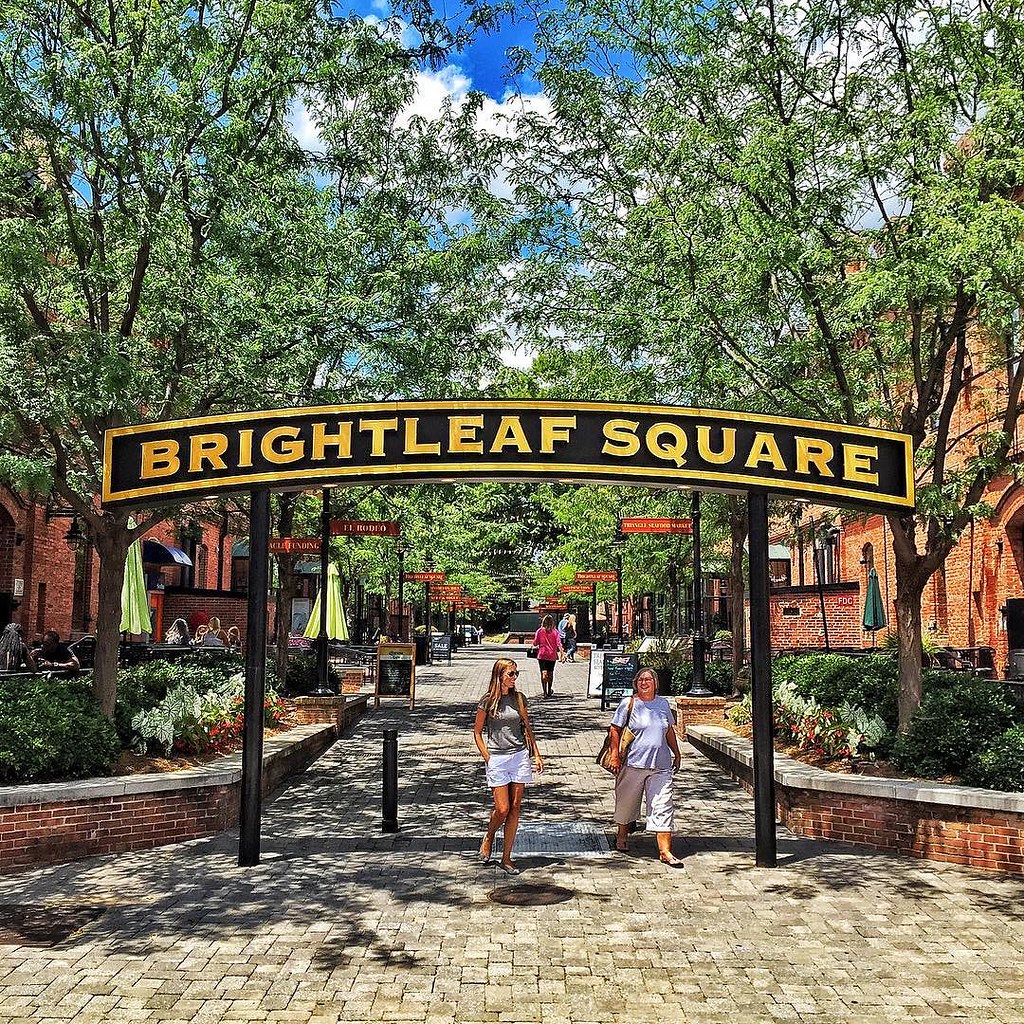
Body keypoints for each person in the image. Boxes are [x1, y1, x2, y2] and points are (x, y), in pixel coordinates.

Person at [473, 657, 544, 875]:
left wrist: (537, 754)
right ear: (499, 675)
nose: (514, 678)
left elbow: (527, 728)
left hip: (519, 756)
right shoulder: (488, 702)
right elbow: (477, 732)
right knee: (501, 808)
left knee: (514, 808)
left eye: (516, 674)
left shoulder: (520, 699)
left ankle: (506, 858)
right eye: (511, 674)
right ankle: (489, 835)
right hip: (498, 758)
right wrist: (488, 757)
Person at [606, 667, 684, 866]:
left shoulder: (663, 704)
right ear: (636, 683)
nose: (644, 683)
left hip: (661, 765)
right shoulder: (629, 704)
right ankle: (622, 835)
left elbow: (668, 730)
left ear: (655, 683)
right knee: (626, 803)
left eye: (648, 679)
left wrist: (676, 752)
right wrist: (615, 755)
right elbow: (614, 729)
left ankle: (665, 851)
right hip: (633, 763)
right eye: (640, 679)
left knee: (663, 806)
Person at [532, 614, 564, 698]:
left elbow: (535, 643)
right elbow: (559, 643)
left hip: (542, 655)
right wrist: (562, 654)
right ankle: (549, 690)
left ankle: (544, 692)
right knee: (550, 673)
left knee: (543, 673)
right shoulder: (555, 632)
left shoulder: (539, 631)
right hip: (552, 655)